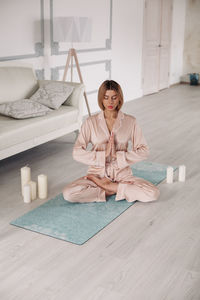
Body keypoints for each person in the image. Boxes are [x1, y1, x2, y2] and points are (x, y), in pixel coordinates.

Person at [62, 80, 160, 203]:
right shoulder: (90, 122)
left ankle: (109, 187)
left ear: (119, 98)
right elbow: (77, 152)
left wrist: (118, 156)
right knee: (68, 193)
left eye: (114, 97)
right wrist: (103, 155)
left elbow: (144, 151)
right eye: (106, 97)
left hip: (122, 175)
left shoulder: (130, 121)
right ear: (101, 99)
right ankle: (114, 190)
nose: (110, 102)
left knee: (152, 193)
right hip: (96, 175)